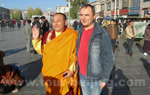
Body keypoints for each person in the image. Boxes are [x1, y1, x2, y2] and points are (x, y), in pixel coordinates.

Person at [32, 13, 79, 95]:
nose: (55, 23)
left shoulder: (72, 35)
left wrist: (72, 69)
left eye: (58, 20)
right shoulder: (48, 35)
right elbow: (43, 51)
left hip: (65, 74)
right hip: (50, 73)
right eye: (53, 21)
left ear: (65, 22)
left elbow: (75, 53)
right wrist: (36, 39)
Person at [76, 4, 114, 95]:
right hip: (81, 75)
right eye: (81, 15)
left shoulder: (102, 33)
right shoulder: (79, 32)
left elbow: (109, 58)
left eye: (87, 15)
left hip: (96, 78)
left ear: (94, 16)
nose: (83, 18)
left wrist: (105, 79)